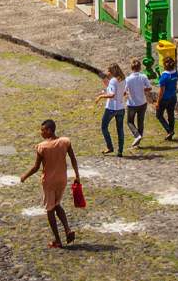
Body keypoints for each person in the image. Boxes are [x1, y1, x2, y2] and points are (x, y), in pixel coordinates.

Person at [20, 119, 80, 248]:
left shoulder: (42, 147)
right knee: (57, 204)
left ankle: (57, 240)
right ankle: (67, 229)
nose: (41, 132)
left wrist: (25, 176)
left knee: (50, 209)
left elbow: (36, 167)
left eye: (42, 130)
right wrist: (77, 176)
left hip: (49, 181)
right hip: (62, 179)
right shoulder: (65, 142)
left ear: (49, 130)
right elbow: (73, 159)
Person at [94, 65, 125, 156]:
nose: (107, 72)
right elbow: (123, 93)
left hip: (111, 108)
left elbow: (112, 95)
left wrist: (100, 96)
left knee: (104, 127)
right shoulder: (123, 79)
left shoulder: (113, 80)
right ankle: (120, 151)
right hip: (121, 108)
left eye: (108, 71)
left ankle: (110, 147)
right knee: (120, 129)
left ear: (111, 71)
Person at [122, 61, 152, 147]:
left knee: (130, 121)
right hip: (142, 103)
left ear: (131, 68)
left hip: (132, 104)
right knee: (140, 122)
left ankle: (137, 135)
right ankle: (138, 141)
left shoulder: (128, 79)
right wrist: (142, 90)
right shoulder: (143, 77)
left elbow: (124, 92)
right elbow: (149, 88)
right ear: (140, 68)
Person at [155, 56, 178, 140]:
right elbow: (175, 84)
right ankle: (171, 130)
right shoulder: (175, 73)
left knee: (159, 115)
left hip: (165, 98)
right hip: (173, 97)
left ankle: (169, 130)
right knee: (171, 114)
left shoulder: (164, 76)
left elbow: (161, 91)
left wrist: (158, 102)